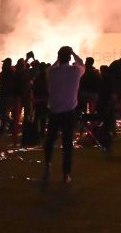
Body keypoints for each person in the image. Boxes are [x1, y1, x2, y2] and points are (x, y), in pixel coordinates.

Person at [42, 46, 84, 184]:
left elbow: (48, 70)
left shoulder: (52, 73)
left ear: (58, 57)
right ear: (70, 58)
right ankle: (66, 174)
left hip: (54, 111)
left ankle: (47, 163)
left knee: (50, 140)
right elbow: (81, 63)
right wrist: (73, 53)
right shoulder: (75, 71)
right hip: (68, 112)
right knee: (67, 144)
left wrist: (58, 60)